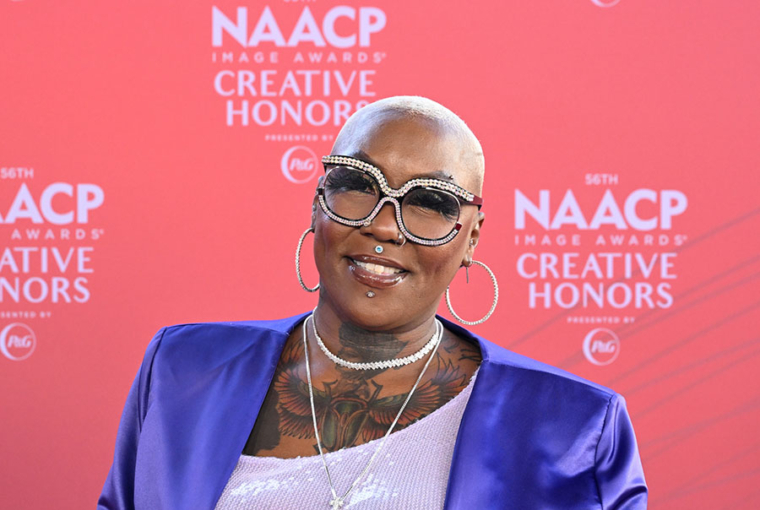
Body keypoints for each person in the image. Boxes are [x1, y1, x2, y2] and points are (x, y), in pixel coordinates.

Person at [98, 96, 648, 509]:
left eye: (430, 201)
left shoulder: (576, 428)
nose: (384, 225)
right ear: (318, 204)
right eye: (359, 183)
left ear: (471, 238)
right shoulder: (184, 368)